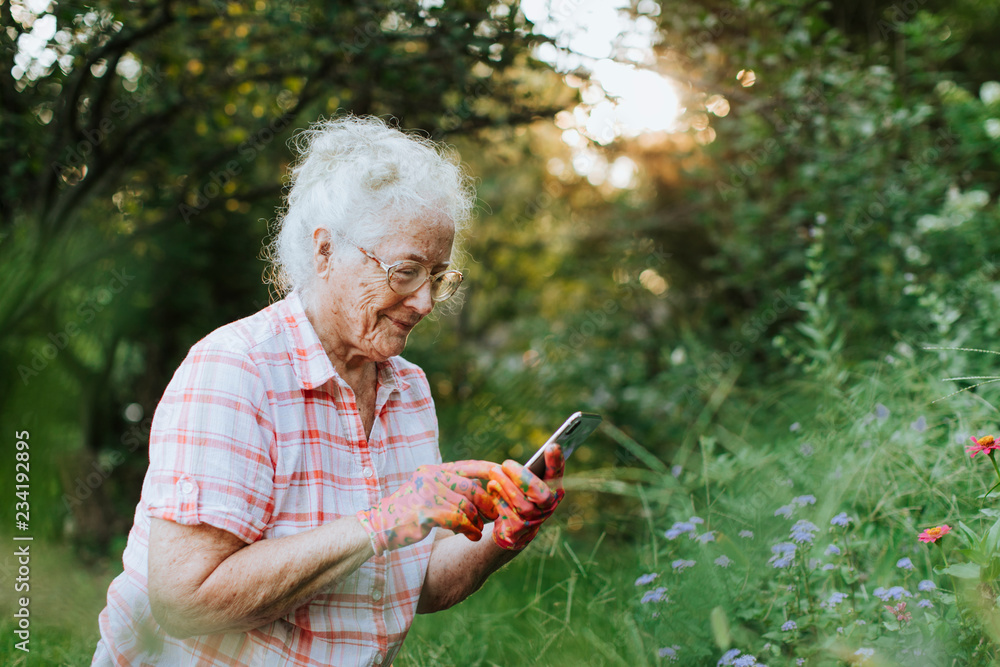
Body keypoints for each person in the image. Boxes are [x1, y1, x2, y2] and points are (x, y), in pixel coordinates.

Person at [92, 115, 565, 666]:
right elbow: (185, 600)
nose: (425, 302)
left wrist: (501, 537)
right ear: (324, 251)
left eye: (438, 275)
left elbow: (413, 585)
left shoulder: (408, 390)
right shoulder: (237, 370)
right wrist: (383, 520)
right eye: (405, 271)